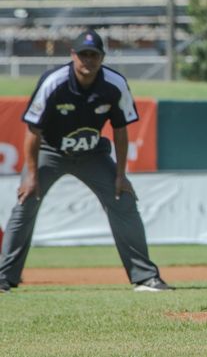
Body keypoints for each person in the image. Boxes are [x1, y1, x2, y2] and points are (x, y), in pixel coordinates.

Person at [0, 29, 172, 294]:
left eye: (94, 55)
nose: (88, 61)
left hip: (93, 153)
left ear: (102, 57)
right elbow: (32, 130)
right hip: (50, 150)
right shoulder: (54, 82)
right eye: (83, 55)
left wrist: (121, 175)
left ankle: (145, 277)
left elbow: (121, 130)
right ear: (73, 56)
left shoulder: (114, 84)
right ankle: (4, 278)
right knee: (25, 203)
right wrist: (31, 175)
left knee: (123, 200)